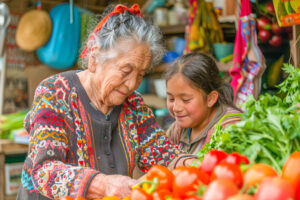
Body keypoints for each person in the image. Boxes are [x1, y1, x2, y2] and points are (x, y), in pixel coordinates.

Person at [17, 4, 196, 200]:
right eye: (126, 71)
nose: (132, 84)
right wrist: (103, 184)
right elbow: (45, 171)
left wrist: (195, 165)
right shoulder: (54, 93)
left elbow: (162, 154)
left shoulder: (134, 105)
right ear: (95, 57)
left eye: (141, 75)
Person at [166, 53, 241, 154]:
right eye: (171, 99)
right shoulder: (177, 130)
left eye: (185, 100)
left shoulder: (230, 129)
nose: (176, 108)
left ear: (210, 99)